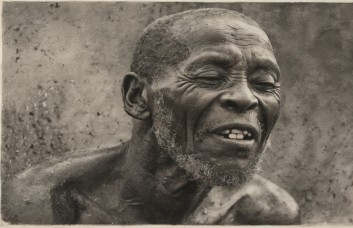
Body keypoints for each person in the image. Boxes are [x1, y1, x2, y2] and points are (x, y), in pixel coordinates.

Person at [2, 8, 299, 224]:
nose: (247, 97)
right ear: (137, 97)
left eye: (264, 84)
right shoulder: (48, 202)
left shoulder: (264, 214)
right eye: (210, 76)